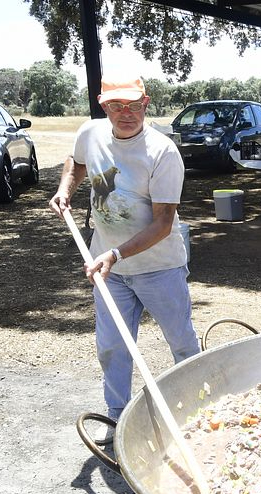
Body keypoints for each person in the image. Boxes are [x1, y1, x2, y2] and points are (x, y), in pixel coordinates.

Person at [48, 75, 200, 442]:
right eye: (117, 105)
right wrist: (65, 189)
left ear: (146, 103)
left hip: (158, 266)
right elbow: (77, 161)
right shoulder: (91, 132)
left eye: (133, 105)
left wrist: (115, 254)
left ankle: (200, 410)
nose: (126, 113)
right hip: (110, 270)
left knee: (180, 341)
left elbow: (164, 223)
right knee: (113, 346)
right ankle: (118, 420)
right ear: (104, 105)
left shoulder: (162, 152)